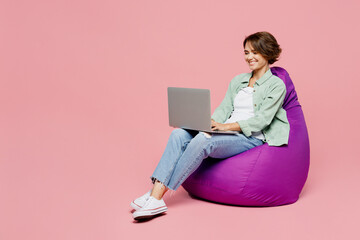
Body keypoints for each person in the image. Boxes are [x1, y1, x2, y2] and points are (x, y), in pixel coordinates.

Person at [130, 31, 290, 220]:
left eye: (255, 52)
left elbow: (262, 120)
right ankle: (153, 196)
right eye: (246, 52)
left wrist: (226, 127)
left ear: (267, 53)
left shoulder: (276, 85)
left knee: (203, 141)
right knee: (179, 134)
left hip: (250, 137)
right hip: (226, 132)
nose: (249, 57)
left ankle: (156, 196)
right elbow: (224, 108)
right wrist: (208, 123)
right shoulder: (238, 80)